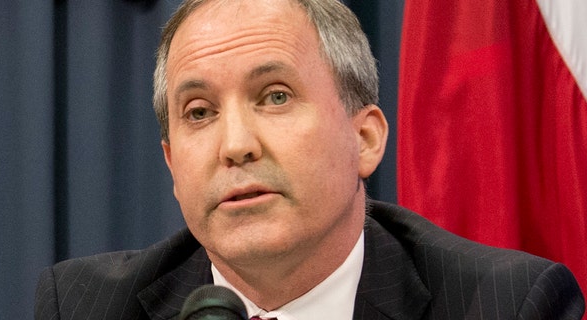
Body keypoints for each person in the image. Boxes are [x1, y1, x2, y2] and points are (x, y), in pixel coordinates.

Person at [34, 0, 585, 319]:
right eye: (199, 111)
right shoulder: (87, 307)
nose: (235, 145)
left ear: (365, 139)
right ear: (173, 166)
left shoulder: (506, 306)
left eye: (275, 96)